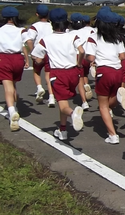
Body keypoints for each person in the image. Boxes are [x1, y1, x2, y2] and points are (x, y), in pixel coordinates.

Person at [30, 8, 85, 141]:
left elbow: (36, 56)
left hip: (58, 74)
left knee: (64, 105)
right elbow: (82, 51)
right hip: (73, 73)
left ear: (51, 22)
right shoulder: (73, 36)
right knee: (63, 101)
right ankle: (63, 129)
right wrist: (78, 63)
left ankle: (73, 114)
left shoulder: (46, 39)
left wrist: (40, 59)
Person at [84, 7, 125, 144]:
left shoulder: (93, 37)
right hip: (118, 71)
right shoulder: (117, 37)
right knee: (111, 99)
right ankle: (120, 96)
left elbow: (91, 57)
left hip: (104, 71)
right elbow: (122, 56)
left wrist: (85, 58)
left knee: (102, 105)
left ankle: (112, 134)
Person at [0, 6, 29, 131]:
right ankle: (15, 106)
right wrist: (29, 57)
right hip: (18, 59)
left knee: (7, 87)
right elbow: (28, 43)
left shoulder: (0, 30)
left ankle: (11, 111)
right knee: (13, 85)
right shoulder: (21, 30)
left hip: (4, 58)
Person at [25, 4, 55, 107]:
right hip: (50, 52)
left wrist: (33, 51)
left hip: (39, 51)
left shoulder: (35, 26)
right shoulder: (52, 25)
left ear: (37, 14)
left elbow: (29, 40)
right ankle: (51, 96)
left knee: (36, 71)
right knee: (48, 74)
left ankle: (39, 87)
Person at [69, 13, 94, 110]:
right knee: (84, 75)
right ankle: (86, 85)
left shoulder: (70, 33)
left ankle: (84, 101)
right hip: (87, 56)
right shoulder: (89, 31)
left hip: (77, 56)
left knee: (79, 79)